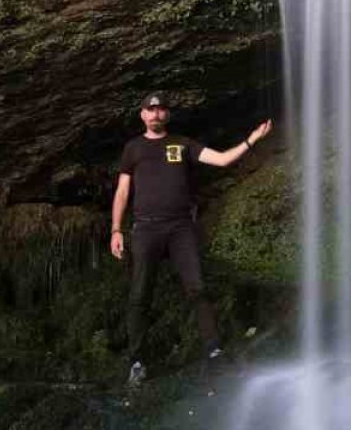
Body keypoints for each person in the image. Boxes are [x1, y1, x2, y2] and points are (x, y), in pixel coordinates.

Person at [110, 92, 272, 388]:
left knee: (198, 289)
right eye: (151, 110)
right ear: (143, 115)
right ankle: (137, 361)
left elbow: (222, 160)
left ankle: (214, 351)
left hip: (180, 228)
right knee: (139, 296)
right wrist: (116, 229)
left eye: (161, 110)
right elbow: (122, 192)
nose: (156, 114)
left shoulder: (182, 144)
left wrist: (251, 140)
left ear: (167, 115)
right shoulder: (133, 148)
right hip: (145, 229)